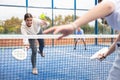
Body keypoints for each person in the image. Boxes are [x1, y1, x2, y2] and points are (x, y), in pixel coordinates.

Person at [43, 0, 120, 80]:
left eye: (100, 3)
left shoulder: (112, 7)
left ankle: (84, 45)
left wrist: (73, 25)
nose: (100, 4)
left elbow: (108, 5)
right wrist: (105, 54)